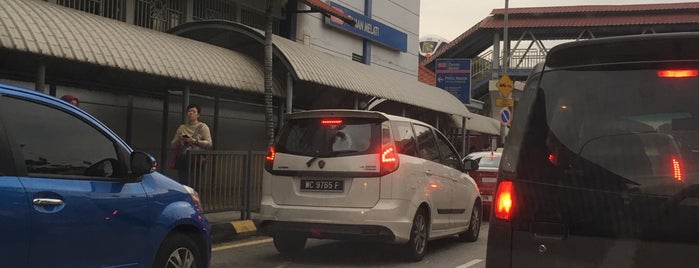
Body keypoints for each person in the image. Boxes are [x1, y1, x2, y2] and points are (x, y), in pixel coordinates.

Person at [170, 104, 212, 185]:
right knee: (183, 183)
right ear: (186, 113)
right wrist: (179, 139)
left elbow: (209, 143)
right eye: (189, 111)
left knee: (193, 184)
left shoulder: (203, 127)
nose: (191, 113)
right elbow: (172, 145)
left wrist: (193, 140)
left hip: (196, 161)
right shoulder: (182, 127)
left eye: (194, 111)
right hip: (183, 159)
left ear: (198, 114)